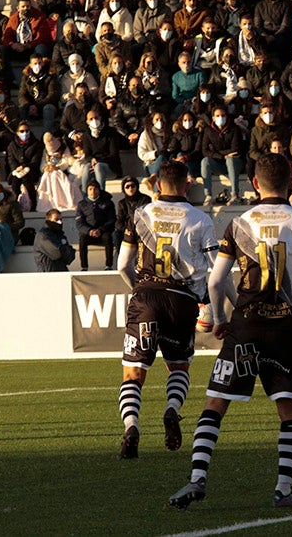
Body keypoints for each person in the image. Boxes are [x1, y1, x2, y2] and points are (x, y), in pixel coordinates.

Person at [167, 155, 292, 509]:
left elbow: (217, 279)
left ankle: (196, 480)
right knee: (289, 408)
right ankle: (283, 489)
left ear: (254, 182)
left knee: (216, 402)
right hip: (286, 328)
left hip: (246, 324)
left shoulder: (239, 222)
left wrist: (222, 317)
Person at [114, 161, 215, 463]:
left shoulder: (141, 215)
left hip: (146, 296)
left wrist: (140, 290)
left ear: (158, 185)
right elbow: (214, 269)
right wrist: (209, 304)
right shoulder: (200, 219)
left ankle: (131, 427)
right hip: (182, 300)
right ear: (187, 185)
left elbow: (122, 265)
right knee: (179, 366)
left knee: (133, 372)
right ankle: (172, 408)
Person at [200, 106, 242, 206]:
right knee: (205, 161)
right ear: (213, 118)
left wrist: (217, 152)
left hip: (235, 164)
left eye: (223, 115)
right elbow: (205, 151)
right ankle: (208, 196)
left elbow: (235, 149)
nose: (220, 118)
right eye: (218, 116)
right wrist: (222, 156)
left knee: (230, 160)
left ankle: (235, 195)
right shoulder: (208, 130)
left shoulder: (234, 129)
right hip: (218, 163)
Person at [75, 180, 115, 271]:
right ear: (87, 191)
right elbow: (79, 223)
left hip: (103, 231)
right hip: (89, 233)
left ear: (99, 190)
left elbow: (111, 220)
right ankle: (84, 266)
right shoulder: (82, 204)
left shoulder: (108, 203)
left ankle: (109, 265)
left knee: (108, 237)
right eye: (90, 189)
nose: (93, 191)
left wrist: (100, 230)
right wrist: (89, 231)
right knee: (82, 239)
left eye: (95, 189)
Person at [114, 176, 151, 258]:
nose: (130, 188)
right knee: (116, 234)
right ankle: (121, 258)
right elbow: (119, 220)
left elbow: (145, 218)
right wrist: (126, 229)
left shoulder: (145, 199)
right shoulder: (122, 203)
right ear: (124, 189)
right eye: (127, 186)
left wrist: (135, 229)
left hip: (141, 229)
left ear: (137, 187)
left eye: (133, 186)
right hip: (127, 230)